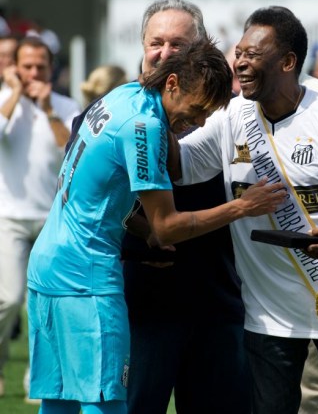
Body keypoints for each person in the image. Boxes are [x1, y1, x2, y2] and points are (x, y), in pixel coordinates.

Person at [26, 38, 288, 413]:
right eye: (198, 109)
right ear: (172, 84)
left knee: (59, 404)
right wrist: (241, 207)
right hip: (86, 282)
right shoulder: (144, 125)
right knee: (107, 404)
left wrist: (141, 229)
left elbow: (96, 194)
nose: (198, 122)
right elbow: (167, 226)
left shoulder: (123, 95)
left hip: (47, 269)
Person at [176, 6, 318, 413]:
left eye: (252, 54)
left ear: (288, 62)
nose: (240, 61)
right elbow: (181, 166)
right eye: (238, 52)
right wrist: (156, 111)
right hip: (267, 315)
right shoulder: (231, 115)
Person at [118, 0, 253, 413]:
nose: (164, 53)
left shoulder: (228, 116)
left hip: (215, 300)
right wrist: (143, 240)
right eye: (156, 43)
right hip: (144, 305)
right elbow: (87, 199)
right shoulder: (120, 113)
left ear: (200, 51)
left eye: (178, 44)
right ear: (142, 46)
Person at [0, 36, 80, 401]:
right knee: (10, 299)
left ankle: (40, 378)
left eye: (40, 66)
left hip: (53, 218)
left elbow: (73, 153)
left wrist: (48, 109)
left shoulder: (66, 105)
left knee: (47, 302)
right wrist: (15, 95)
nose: (34, 73)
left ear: (51, 68)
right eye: (27, 66)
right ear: (14, 66)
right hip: (10, 217)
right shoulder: (4, 101)